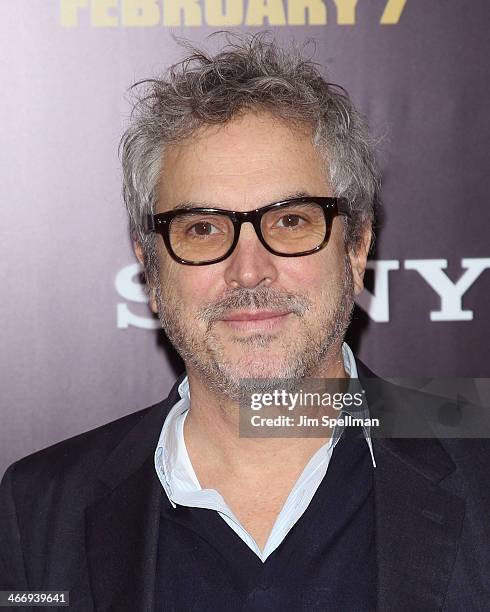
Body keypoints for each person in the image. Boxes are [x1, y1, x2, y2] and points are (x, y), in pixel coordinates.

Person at [1, 33, 489, 612]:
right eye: (202, 228)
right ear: (151, 268)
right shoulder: (39, 509)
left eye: (290, 221)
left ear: (356, 248)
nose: (249, 270)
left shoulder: (480, 468)